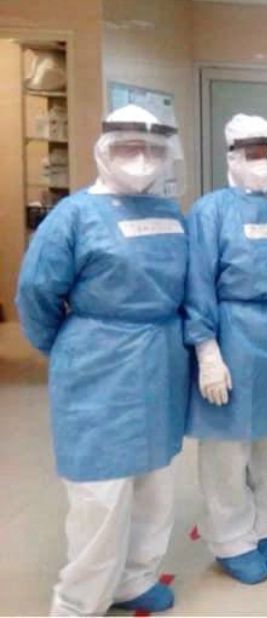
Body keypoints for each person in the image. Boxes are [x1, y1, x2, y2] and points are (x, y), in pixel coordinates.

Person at [17, 104, 187, 615]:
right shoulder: (74, 216)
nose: (141, 160)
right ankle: (78, 602)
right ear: (103, 151)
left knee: (155, 482)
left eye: (153, 150)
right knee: (101, 495)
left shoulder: (168, 213)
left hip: (160, 359)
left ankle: (134, 579)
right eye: (128, 149)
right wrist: (71, 348)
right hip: (97, 364)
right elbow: (36, 293)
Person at [185, 114, 267, 585]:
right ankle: (231, 539)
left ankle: (264, 527)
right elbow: (197, 283)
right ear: (233, 158)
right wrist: (207, 352)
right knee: (227, 450)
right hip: (233, 335)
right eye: (257, 153)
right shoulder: (210, 211)